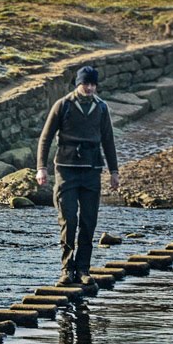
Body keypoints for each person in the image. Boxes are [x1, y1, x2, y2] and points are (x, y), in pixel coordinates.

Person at [36, 65, 120, 287]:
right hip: (66, 169)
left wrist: (114, 172)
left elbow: (108, 140)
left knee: (88, 221)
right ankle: (66, 269)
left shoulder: (101, 108)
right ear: (78, 84)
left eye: (93, 84)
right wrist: (41, 168)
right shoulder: (62, 105)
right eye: (86, 84)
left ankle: (83, 269)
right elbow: (45, 138)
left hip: (92, 169)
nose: (90, 87)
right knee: (69, 220)